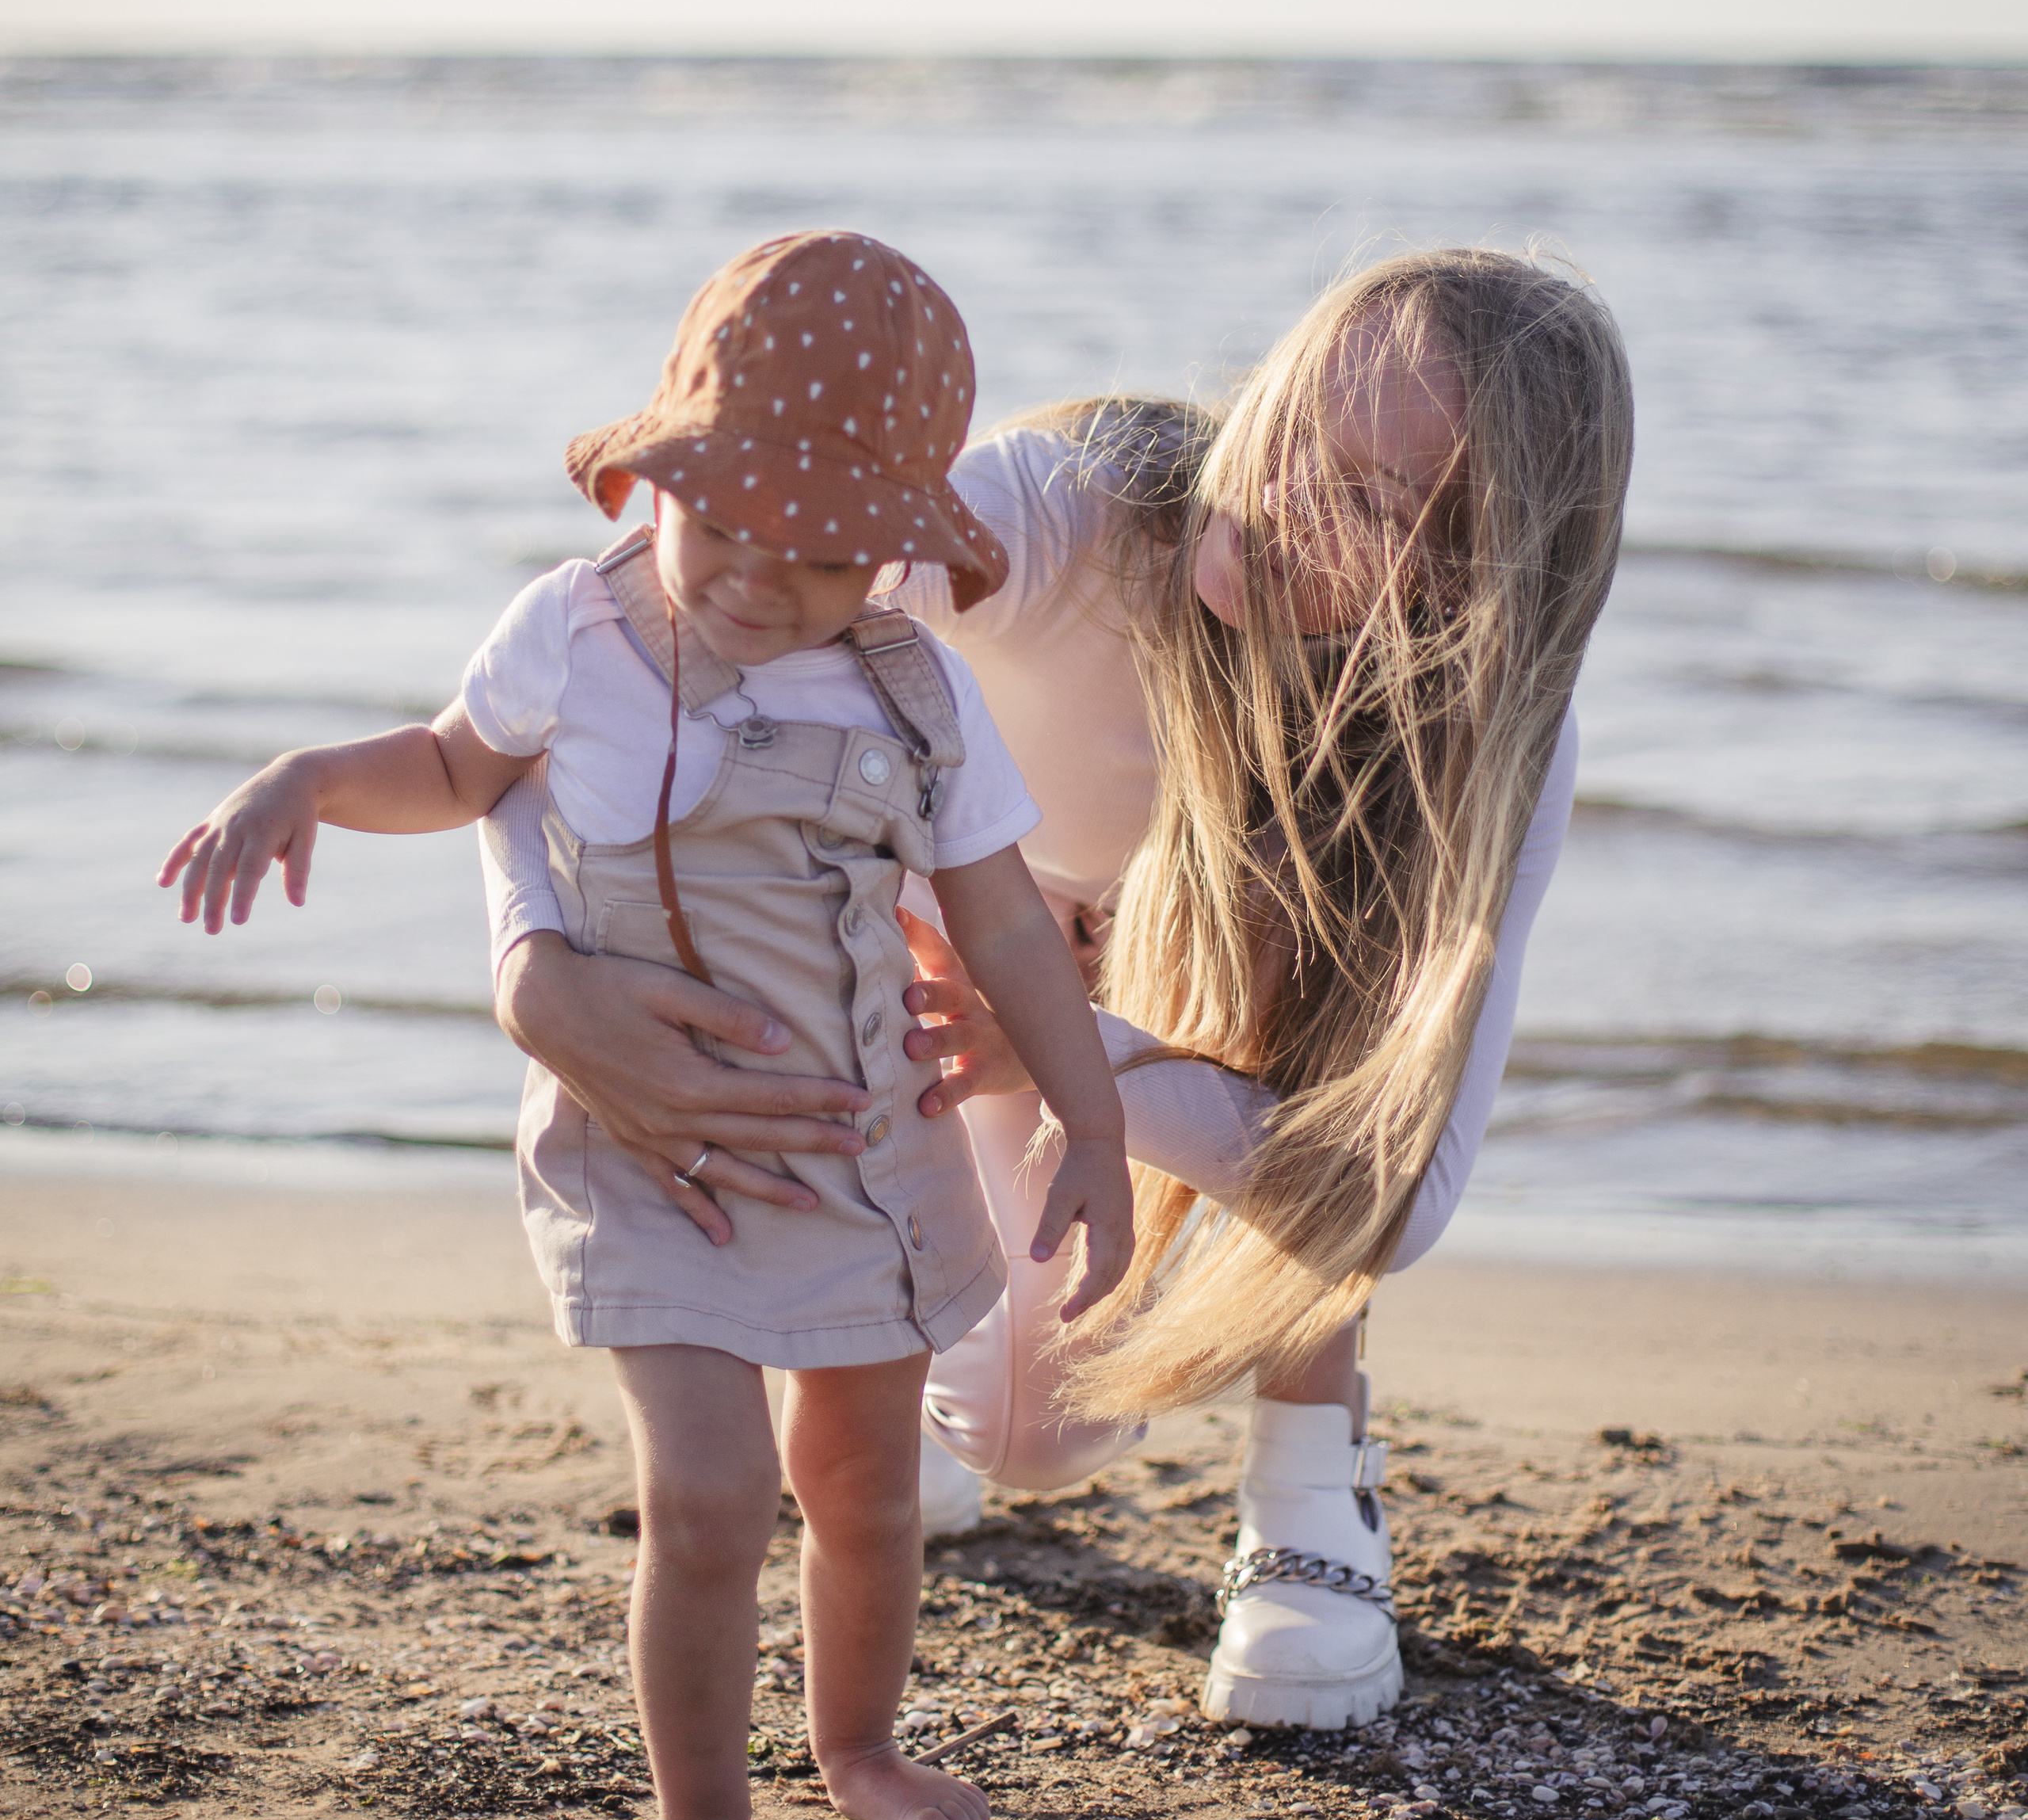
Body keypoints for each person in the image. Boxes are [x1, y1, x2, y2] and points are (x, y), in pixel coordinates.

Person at [156, 231, 1136, 1820]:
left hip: (859, 1155)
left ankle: (855, 1748)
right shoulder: (577, 628)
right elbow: (461, 770)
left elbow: (997, 921)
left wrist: (1096, 1127)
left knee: (860, 1489)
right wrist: (307, 775)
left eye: (825, 550)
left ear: (900, 545)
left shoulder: (914, 699)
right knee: (705, 1498)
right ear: (652, 478)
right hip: (647, 1154)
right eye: (722, 525)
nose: (759, 583)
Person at [484, 246, 1633, 1736]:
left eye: (1375, 506)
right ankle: (878, 1349)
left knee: (1334, 988)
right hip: (960, 948)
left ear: (1476, 580)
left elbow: (1400, 1192)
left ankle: (1313, 1465)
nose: (1281, 508)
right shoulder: (1063, 509)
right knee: (1022, 1441)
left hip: (1150, 1024)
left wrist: (1075, 1050)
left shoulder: (1499, 745)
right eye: (1292, 434)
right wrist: (537, 968)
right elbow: (614, 657)